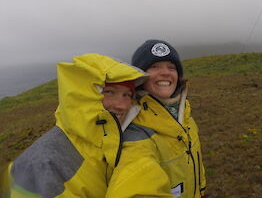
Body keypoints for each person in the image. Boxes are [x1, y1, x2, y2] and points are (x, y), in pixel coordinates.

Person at [1, 53, 148, 198]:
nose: (122, 105)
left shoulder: (118, 138)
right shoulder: (42, 165)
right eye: (109, 92)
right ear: (84, 96)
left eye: (127, 95)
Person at [105, 40, 206, 198]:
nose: (165, 73)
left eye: (171, 67)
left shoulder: (185, 112)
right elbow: (136, 177)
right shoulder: (134, 127)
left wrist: (200, 191)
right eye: (154, 66)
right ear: (139, 77)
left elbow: (195, 160)